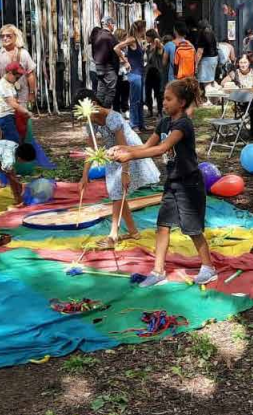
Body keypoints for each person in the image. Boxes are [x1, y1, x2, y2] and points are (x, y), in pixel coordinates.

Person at [109, 77, 216, 287]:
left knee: (192, 229)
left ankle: (209, 267)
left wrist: (130, 157)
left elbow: (161, 149)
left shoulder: (183, 124)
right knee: (162, 226)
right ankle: (158, 271)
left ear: (182, 102)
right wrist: (123, 149)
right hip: (173, 183)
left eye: (168, 99)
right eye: (163, 99)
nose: (164, 103)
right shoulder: (164, 122)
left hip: (189, 185)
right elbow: (146, 145)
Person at [76, 90, 161, 248]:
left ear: (93, 105)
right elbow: (91, 150)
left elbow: (124, 147)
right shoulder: (91, 121)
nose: (86, 118)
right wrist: (84, 176)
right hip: (113, 155)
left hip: (128, 152)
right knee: (117, 193)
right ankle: (133, 232)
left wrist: (125, 172)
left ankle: (112, 236)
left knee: (117, 192)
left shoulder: (113, 117)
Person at [0, 24, 38, 140]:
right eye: (2, 36)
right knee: (8, 125)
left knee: (23, 124)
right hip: (5, 95)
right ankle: (12, 149)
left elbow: (30, 74)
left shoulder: (24, 53)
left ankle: (25, 150)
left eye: (8, 36)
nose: (5, 38)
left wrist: (32, 93)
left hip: (22, 94)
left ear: (15, 37)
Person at [117, 20, 148, 130]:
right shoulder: (132, 39)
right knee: (135, 100)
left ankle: (141, 124)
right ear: (142, 29)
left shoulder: (139, 40)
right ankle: (134, 124)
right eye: (144, 28)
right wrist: (125, 61)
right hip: (134, 73)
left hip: (140, 72)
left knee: (141, 100)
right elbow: (117, 48)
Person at [0, 62, 35, 143]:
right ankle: (13, 155)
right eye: (16, 77)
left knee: (11, 138)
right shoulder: (4, 85)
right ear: (10, 73)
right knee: (13, 140)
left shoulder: (9, 83)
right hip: (5, 116)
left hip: (9, 115)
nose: (18, 79)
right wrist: (26, 112)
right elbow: (13, 104)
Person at [93, 17, 121, 109]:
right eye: (113, 24)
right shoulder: (110, 37)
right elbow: (116, 52)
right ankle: (104, 112)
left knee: (101, 91)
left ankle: (97, 113)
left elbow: (93, 52)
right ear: (109, 24)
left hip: (98, 66)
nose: (113, 26)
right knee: (110, 91)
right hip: (109, 67)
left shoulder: (97, 35)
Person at [144, 29, 166, 119]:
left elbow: (161, 47)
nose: (146, 38)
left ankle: (160, 111)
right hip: (148, 71)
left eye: (147, 37)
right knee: (148, 92)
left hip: (157, 71)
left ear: (152, 37)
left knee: (158, 93)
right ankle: (150, 110)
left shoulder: (158, 46)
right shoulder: (148, 47)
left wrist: (157, 41)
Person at [194, 20, 219, 96]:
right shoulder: (212, 33)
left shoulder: (203, 34)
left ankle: (209, 101)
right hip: (214, 58)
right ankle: (215, 98)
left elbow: (200, 51)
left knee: (206, 81)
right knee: (211, 80)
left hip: (207, 60)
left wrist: (196, 64)